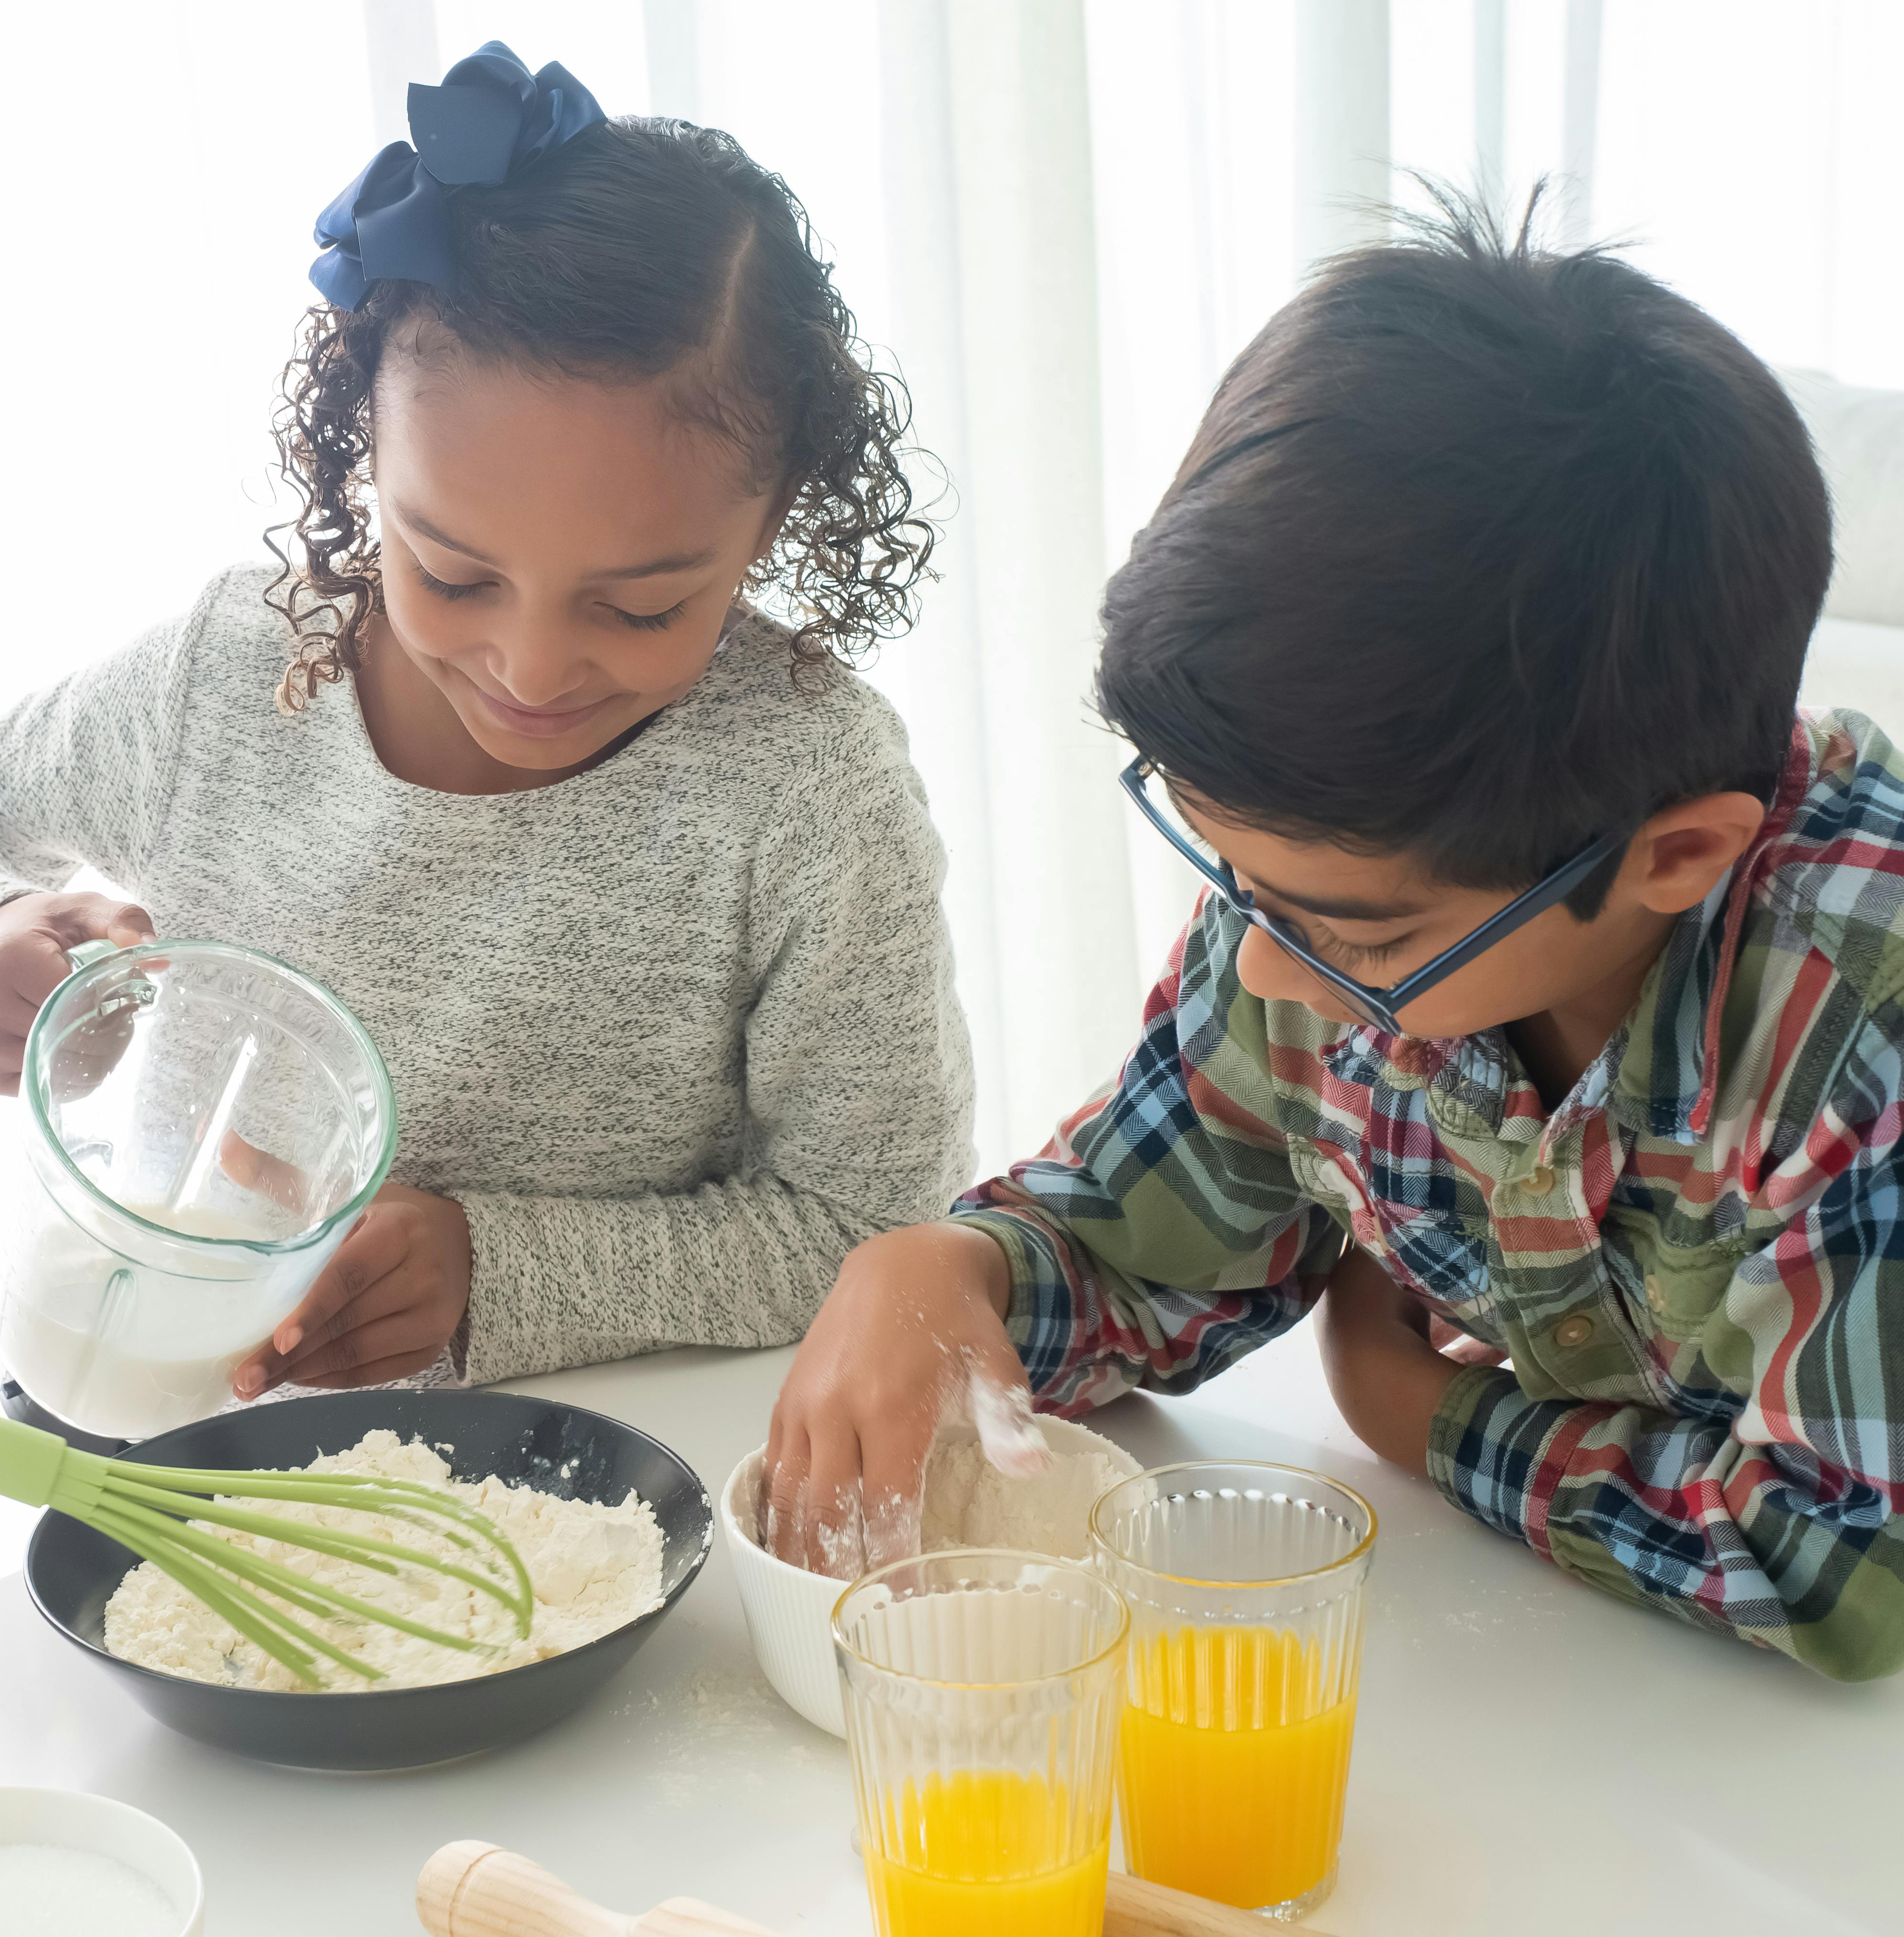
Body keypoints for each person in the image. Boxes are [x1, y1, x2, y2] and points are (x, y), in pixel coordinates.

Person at [766, 192, 1904, 1682]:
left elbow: (1838, 1565)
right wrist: (952, 1268)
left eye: (1352, 935)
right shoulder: (1342, 871)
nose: (1255, 968)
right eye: (1233, 880)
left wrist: (1412, 1413)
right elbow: (1153, 1248)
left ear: (1674, 859)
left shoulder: (1852, 1017)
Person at [0, 45, 975, 1405]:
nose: (532, 667)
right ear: (364, 451)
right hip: (167, 1421)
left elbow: (873, 1229)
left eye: (640, 607)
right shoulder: (232, 678)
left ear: (769, 526)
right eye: (450, 572)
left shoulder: (807, 791)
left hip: (576, 1492)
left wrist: (495, 1270)